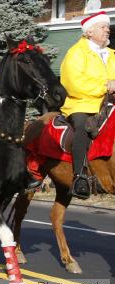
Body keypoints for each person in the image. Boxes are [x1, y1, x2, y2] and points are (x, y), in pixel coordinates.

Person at [60, 11, 115, 199]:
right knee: (82, 128)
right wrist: (104, 87)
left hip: (108, 103)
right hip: (82, 103)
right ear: (89, 32)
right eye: (103, 27)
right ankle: (80, 177)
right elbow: (73, 83)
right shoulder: (76, 52)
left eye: (107, 27)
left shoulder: (112, 54)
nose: (107, 30)